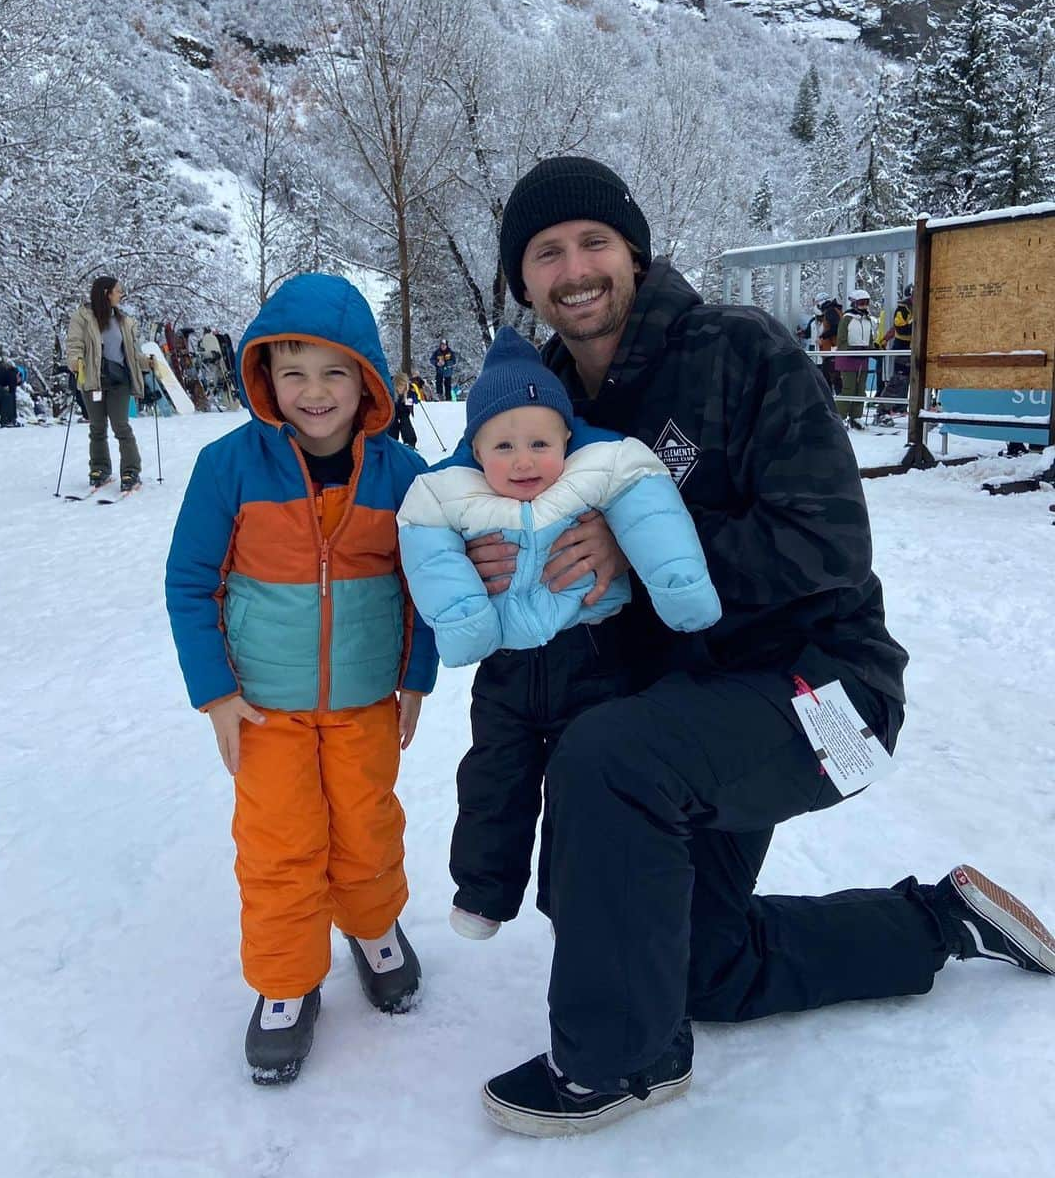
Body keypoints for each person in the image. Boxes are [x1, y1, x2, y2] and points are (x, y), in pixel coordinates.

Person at [463, 156, 1054, 1138]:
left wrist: (643, 558)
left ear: (634, 253)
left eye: (594, 243)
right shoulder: (542, 419)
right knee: (688, 962)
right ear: (522, 282)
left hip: (831, 696)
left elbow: (826, 546)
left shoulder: (738, 353)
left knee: (610, 762)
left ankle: (623, 1057)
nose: (575, 268)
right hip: (693, 710)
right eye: (546, 252)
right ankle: (935, 922)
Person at [164, 272, 439, 1086]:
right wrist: (216, 694)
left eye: (335, 372)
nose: (314, 393)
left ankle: (373, 926)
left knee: (366, 823)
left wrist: (414, 677)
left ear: (368, 382)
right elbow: (190, 582)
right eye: (293, 373)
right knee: (280, 845)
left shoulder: (401, 475)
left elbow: (426, 581)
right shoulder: (228, 468)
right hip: (264, 711)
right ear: (264, 380)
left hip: (363, 704)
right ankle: (285, 983)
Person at [397, 326, 720, 940]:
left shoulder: (596, 472)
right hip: (506, 663)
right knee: (495, 776)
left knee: (584, 784)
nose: (523, 461)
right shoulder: (452, 495)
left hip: (591, 656)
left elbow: (652, 512)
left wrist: (678, 585)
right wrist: (467, 617)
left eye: (540, 442)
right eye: (504, 445)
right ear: (476, 449)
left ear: (567, 438)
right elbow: (426, 548)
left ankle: (568, 897)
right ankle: (483, 889)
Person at [65, 277, 152, 491]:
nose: (120, 295)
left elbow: (131, 353)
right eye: (117, 291)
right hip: (93, 379)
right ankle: (99, 468)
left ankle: (131, 471)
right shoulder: (82, 318)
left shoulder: (124, 321)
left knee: (121, 425)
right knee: (97, 427)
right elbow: (74, 344)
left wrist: (146, 362)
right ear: (106, 293)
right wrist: (75, 362)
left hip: (118, 381)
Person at [835, 287, 875, 429]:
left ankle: (856, 416)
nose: (864, 306)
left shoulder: (867, 320)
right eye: (861, 302)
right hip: (849, 357)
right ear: (854, 304)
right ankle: (840, 416)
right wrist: (850, 349)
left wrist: (872, 349)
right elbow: (841, 339)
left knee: (860, 389)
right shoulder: (847, 319)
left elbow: (869, 338)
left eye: (866, 302)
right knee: (849, 388)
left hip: (862, 358)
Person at [388, 371, 418, 448]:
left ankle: (410, 442)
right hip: (392, 411)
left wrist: (415, 397)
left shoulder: (409, 391)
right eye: (400, 385)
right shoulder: (390, 390)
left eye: (404, 385)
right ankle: (392, 441)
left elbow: (413, 401)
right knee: (393, 424)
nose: (402, 387)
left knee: (405, 422)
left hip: (404, 410)